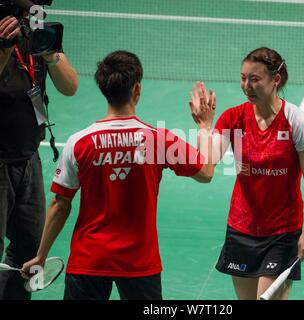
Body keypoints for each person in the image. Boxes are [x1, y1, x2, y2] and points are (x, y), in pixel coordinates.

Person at [22, 50, 215, 300]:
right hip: (139, 263)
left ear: (103, 90)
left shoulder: (79, 142)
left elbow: (60, 204)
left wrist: (41, 255)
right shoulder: (158, 140)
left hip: (88, 260)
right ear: (137, 90)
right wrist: (204, 127)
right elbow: (206, 172)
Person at [189, 47, 304, 300]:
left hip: (282, 232)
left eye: (255, 79)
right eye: (243, 78)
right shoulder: (233, 118)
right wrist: (204, 127)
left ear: (276, 80)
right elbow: (207, 168)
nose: (246, 85)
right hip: (242, 229)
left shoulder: (296, 122)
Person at [0, 10, 78, 299]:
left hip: (28, 156)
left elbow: (70, 86)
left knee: (29, 248)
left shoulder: (36, 28)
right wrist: (5, 47)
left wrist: (50, 55)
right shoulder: (4, 32)